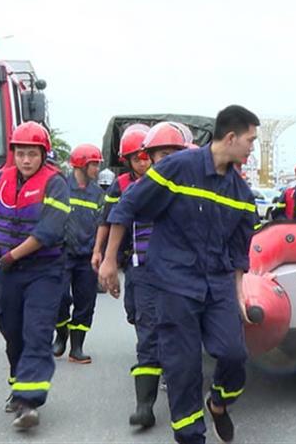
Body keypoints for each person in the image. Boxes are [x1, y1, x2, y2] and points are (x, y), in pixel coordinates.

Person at [99, 105, 260, 444]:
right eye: (250, 140)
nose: (251, 148)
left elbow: (238, 251)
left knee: (234, 354)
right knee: (183, 368)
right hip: (173, 282)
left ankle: (218, 403)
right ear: (230, 138)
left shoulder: (242, 195)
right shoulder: (177, 168)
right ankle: (191, 436)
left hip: (217, 284)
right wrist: (110, 260)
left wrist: (240, 293)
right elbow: (127, 207)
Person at [0, 122, 71, 430]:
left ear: (44, 155)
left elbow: (48, 232)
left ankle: (29, 402)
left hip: (44, 270)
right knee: (12, 331)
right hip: (8, 271)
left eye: (32, 154)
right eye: (20, 153)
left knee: (37, 332)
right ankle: (18, 387)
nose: (26, 160)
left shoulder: (55, 184)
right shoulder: (1, 178)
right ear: (13, 154)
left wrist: (7, 257)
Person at [123, 121, 193, 429]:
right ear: (148, 157)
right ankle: (144, 406)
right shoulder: (138, 190)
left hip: (182, 274)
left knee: (180, 337)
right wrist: (108, 260)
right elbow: (116, 220)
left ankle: (187, 406)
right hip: (146, 272)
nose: (165, 160)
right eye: (159, 154)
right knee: (148, 334)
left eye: (172, 154)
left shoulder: (194, 190)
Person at [91, 124, 151, 326]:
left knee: (150, 310)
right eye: (137, 160)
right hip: (129, 254)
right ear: (128, 161)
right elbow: (107, 220)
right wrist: (99, 251)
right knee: (133, 309)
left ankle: (153, 353)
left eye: (146, 158)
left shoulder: (165, 181)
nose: (143, 164)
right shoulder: (121, 184)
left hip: (157, 254)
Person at [52, 143, 105, 364]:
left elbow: (103, 223)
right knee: (59, 298)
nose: (97, 170)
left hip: (87, 257)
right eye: (94, 164)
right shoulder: (61, 187)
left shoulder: (99, 194)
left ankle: (77, 347)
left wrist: (98, 251)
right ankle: (61, 334)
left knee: (86, 302)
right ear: (81, 164)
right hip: (62, 254)